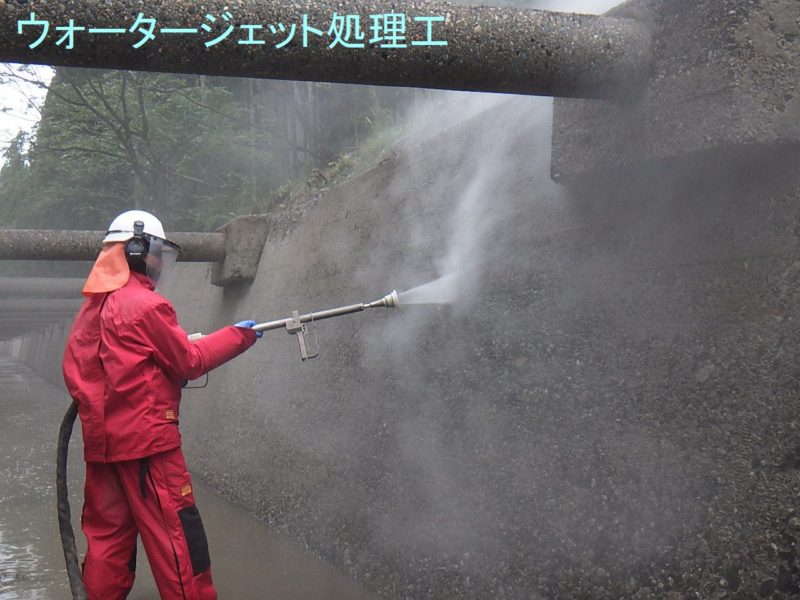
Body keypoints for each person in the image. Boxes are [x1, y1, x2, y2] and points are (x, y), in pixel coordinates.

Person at [62, 209, 261, 600]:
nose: (157, 263)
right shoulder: (147, 306)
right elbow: (190, 360)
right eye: (155, 253)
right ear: (136, 250)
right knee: (180, 546)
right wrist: (239, 337)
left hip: (102, 452)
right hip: (150, 451)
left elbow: (83, 373)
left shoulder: (89, 313)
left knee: (106, 547)